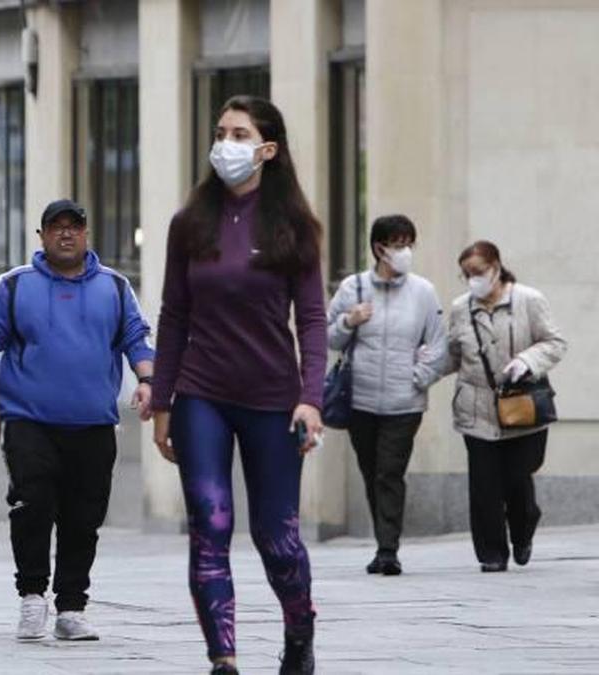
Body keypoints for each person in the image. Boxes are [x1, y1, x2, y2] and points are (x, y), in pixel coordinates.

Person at [150, 96, 325, 675]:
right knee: (211, 523)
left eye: (240, 133)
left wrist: (311, 398)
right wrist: (163, 401)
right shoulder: (189, 223)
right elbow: (173, 315)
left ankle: (300, 630)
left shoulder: (293, 226)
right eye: (221, 131)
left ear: (267, 149)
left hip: (273, 399)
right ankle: (222, 658)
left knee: (277, 540)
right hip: (203, 394)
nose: (226, 142)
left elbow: (314, 319)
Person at [0, 198, 156, 643]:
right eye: (56, 227)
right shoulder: (15, 285)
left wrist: (148, 381)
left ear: (87, 233)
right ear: (42, 236)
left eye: (74, 226)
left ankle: (71, 606)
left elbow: (137, 336)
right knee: (32, 505)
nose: (66, 234)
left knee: (83, 519)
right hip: (29, 420)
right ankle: (33, 597)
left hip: (93, 423)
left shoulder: (114, 287)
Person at [327, 215, 447, 576]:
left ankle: (388, 549)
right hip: (360, 399)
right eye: (397, 243)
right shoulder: (353, 288)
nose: (404, 251)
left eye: (409, 243)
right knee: (371, 472)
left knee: (389, 473)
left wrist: (418, 378)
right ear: (379, 247)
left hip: (404, 402)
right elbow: (328, 338)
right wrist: (349, 321)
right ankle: (383, 541)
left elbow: (438, 343)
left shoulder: (423, 292)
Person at [445, 241, 566, 573]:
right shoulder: (460, 308)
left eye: (479, 272)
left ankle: (524, 527)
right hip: (476, 408)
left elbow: (554, 343)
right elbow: (453, 355)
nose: (473, 280)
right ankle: (492, 553)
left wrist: (527, 361)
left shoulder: (529, 300)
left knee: (517, 478)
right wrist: (419, 371)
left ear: (496, 267)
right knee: (484, 486)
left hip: (523, 406)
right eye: (467, 274)